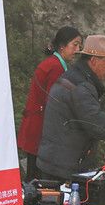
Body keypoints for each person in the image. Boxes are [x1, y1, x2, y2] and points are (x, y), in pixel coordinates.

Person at [36, 35, 105, 180]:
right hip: (63, 168)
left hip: (55, 161)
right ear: (94, 60)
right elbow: (99, 126)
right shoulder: (81, 87)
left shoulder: (73, 77)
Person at [16, 26, 82, 181]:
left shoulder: (54, 63)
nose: (78, 50)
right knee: (38, 178)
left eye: (79, 46)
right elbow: (54, 103)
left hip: (37, 126)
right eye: (75, 44)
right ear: (62, 46)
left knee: (33, 175)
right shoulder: (55, 67)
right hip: (40, 129)